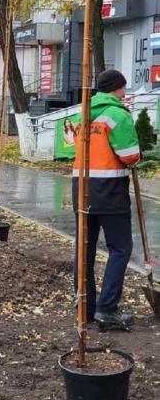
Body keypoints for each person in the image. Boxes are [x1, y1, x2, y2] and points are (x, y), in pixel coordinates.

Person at [72, 69, 141, 329]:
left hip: (80, 188)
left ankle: (85, 306)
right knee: (121, 248)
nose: (125, 93)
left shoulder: (83, 114)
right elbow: (130, 155)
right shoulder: (117, 115)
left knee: (84, 249)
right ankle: (107, 309)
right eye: (124, 88)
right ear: (118, 89)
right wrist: (138, 157)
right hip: (110, 191)